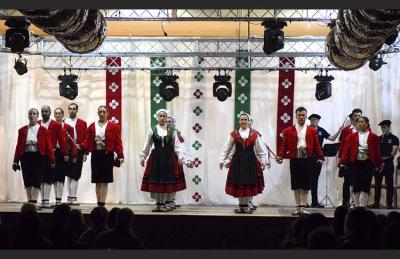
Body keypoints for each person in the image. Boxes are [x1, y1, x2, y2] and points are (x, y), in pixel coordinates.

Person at [276, 107, 324, 215]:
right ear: (296, 116)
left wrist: (321, 157)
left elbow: (317, 145)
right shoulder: (288, 130)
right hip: (295, 159)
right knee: (296, 183)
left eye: (303, 115)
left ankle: (303, 207)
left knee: (306, 183)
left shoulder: (312, 130)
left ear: (306, 116)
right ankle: (298, 207)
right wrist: (280, 156)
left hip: (308, 159)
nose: (301, 117)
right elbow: (284, 145)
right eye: (299, 115)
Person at [219, 112, 268, 214]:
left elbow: (260, 149)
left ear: (248, 121)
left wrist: (264, 161)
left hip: (251, 162)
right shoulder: (234, 134)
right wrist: (222, 160)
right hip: (238, 162)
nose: (243, 121)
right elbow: (227, 148)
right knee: (239, 183)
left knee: (248, 184)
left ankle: (246, 205)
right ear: (239, 121)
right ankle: (241, 206)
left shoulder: (255, 134)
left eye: (245, 119)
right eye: (242, 119)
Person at [140, 109, 186, 212]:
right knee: (157, 181)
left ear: (166, 117)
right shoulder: (152, 129)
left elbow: (177, 146)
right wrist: (143, 156)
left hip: (169, 157)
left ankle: (164, 203)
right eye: (160, 116)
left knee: (166, 181)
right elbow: (147, 144)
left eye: (164, 116)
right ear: (157, 117)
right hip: (156, 158)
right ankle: (159, 203)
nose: (162, 118)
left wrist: (180, 157)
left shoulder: (172, 130)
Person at [80, 105, 124, 207]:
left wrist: (120, 155)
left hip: (107, 155)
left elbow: (118, 142)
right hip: (96, 154)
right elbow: (87, 141)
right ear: (97, 113)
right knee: (97, 180)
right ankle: (98, 202)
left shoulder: (114, 126)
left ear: (107, 113)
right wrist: (81, 148)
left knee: (105, 180)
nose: (102, 114)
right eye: (100, 112)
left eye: (104, 112)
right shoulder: (92, 126)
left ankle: (102, 203)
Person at [12, 108, 55, 206]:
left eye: (34, 114)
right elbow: (18, 146)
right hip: (25, 156)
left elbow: (48, 146)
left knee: (37, 179)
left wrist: (52, 159)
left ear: (37, 116)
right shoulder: (22, 130)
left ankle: (33, 202)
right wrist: (15, 161)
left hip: (38, 157)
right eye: (30, 114)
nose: (32, 115)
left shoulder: (43, 130)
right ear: (28, 116)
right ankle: (29, 202)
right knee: (27, 179)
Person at [339, 116, 384, 207]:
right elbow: (347, 150)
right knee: (356, 184)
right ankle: (356, 205)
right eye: (358, 122)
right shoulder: (351, 136)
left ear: (367, 124)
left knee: (365, 184)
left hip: (367, 163)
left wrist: (380, 163)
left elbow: (377, 151)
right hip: (355, 163)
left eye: (362, 121)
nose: (360, 123)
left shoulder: (373, 136)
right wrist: (342, 162)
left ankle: (362, 206)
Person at [308, 113, 343, 208]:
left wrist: (339, 131)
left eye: (316, 119)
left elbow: (332, 138)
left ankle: (314, 202)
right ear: (310, 121)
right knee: (307, 180)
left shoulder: (321, 130)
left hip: (318, 158)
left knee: (315, 180)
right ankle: (304, 202)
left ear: (318, 121)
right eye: (312, 119)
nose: (314, 121)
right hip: (307, 158)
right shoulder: (306, 129)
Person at [38, 105, 68, 208]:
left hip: (55, 153)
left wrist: (65, 154)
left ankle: (58, 201)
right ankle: (44, 201)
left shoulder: (56, 125)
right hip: (40, 154)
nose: (44, 113)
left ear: (50, 113)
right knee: (42, 177)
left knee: (58, 176)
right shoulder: (37, 124)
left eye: (46, 111)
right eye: (42, 111)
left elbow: (62, 140)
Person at [164, 115, 193, 210]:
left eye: (170, 121)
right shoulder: (161, 132)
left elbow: (183, 147)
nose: (168, 123)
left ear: (173, 123)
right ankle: (166, 201)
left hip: (176, 159)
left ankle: (171, 200)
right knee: (168, 181)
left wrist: (186, 160)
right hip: (166, 159)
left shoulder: (178, 134)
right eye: (167, 121)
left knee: (175, 182)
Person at [369, 120, 399, 209]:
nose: (383, 129)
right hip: (378, 164)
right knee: (378, 183)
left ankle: (389, 204)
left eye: (384, 127)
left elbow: (392, 153)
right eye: (382, 128)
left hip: (388, 164)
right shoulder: (378, 138)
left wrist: (381, 159)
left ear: (389, 127)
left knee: (389, 184)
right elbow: (375, 152)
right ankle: (376, 202)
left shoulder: (394, 138)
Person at [338, 108, 362, 207]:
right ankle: (345, 201)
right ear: (352, 116)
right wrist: (340, 159)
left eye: (359, 115)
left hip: (360, 159)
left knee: (358, 181)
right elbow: (342, 144)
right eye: (355, 115)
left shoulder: (365, 129)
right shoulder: (346, 130)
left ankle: (357, 202)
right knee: (347, 181)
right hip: (348, 160)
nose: (357, 117)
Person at [64, 103, 88, 205]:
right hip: (68, 150)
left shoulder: (82, 123)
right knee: (68, 175)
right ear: (68, 110)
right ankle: (70, 197)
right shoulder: (64, 122)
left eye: (74, 109)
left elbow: (86, 138)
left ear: (77, 110)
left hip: (78, 150)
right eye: (70, 109)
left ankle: (73, 197)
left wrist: (85, 152)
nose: (72, 110)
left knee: (76, 175)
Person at [53, 108, 77, 205]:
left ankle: (59, 199)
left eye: (59, 113)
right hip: (53, 152)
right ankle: (56, 198)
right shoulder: (51, 126)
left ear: (63, 115)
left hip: (63, 154)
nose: (58, 115)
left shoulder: (69, 127)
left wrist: (74, 154)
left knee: (61, 176)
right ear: (54, 115)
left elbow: (72, 143)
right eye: (56, 113)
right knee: (53, 177)